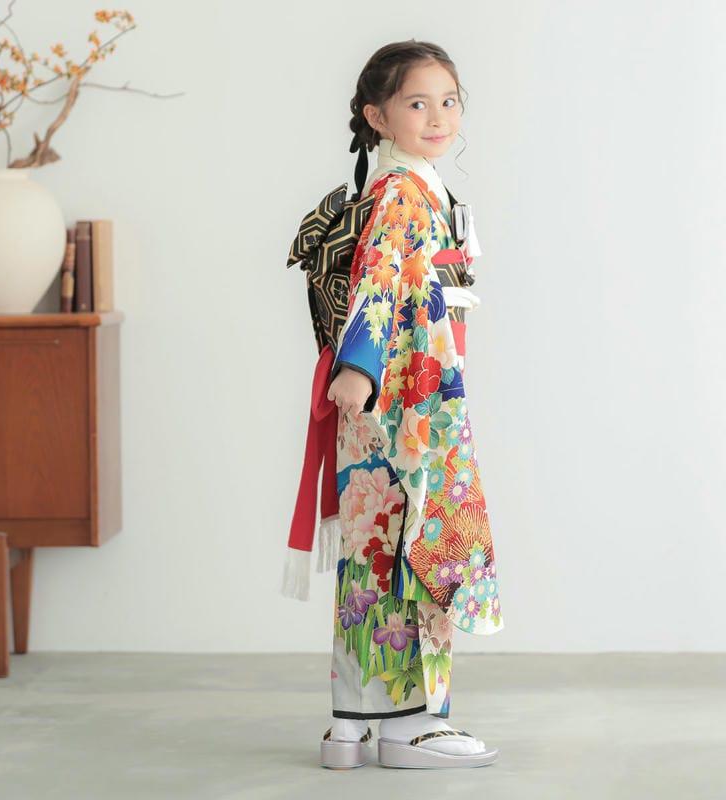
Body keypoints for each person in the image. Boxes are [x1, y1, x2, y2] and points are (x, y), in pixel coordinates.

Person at [315, 40, 505, 770]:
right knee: (411, 543)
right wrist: (358, 368)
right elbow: (379, 278)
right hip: (403, 399)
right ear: (377, 116)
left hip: (412, 388)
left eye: (448, 101)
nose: (437, 117)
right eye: (417, 103)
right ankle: (408, 726)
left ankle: (354, 723)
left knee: (379, 549)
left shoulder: (415, 186)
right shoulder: (402, 192)